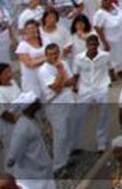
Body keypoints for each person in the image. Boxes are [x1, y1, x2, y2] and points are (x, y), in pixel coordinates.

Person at [37, 42, 75, 175]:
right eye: (51, 54)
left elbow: (71, 81)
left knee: (68, 131)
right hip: (55, 104)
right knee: (60, 134)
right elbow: (56, 88)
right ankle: (58, 165)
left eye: (56, 53)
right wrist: (60, 72)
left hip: (68, 100)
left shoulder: (63, 63)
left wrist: (61, 80)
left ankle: (66, 157)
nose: (54, 56)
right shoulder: (44, 70)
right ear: (46, 55)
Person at [73, 33, 112, 153]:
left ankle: (101, 142)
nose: (93, 47)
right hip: (85, 88)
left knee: (103, 114)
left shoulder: (105, 56)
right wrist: (75, 86)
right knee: (79, 115)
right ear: (86, 45)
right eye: (90, 45)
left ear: (98, 45)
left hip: (101, 87)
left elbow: (111, 68)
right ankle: (76, 143)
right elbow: (76, 74)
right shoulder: (79, 58)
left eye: (95, 45)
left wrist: (111, 80)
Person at [7, 92, 54, 189]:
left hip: (42, 168)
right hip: (31, 173)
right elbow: (15, 153)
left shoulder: (33, 120)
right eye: (36, 103)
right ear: (30, 108)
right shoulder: (22, 128)